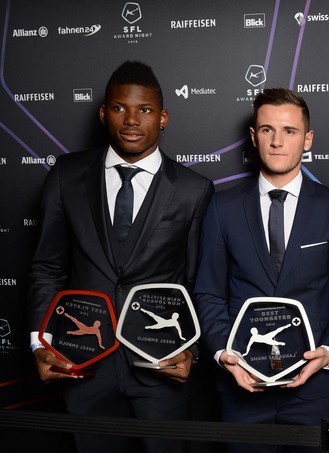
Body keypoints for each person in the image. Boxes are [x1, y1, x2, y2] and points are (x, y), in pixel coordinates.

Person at [27, 60, 214, 453]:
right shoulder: (66, 175)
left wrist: (193, 350)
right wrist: (40, 342)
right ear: (103, 113)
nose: (131, 120)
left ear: (162, 118)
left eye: (144, 109)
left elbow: (198, 281)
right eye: (118, 108)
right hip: (83, 365)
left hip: (160, 365)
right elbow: (48, 267)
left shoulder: (193, 190)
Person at [194, 88, 329, 452]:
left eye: (290, 131)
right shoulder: (222, 208)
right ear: (254, 137)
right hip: (243, 388)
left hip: (316, 391)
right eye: (268, 130)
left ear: (308, 139)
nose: (278, 142)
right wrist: (223, 354)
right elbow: (208, 292)